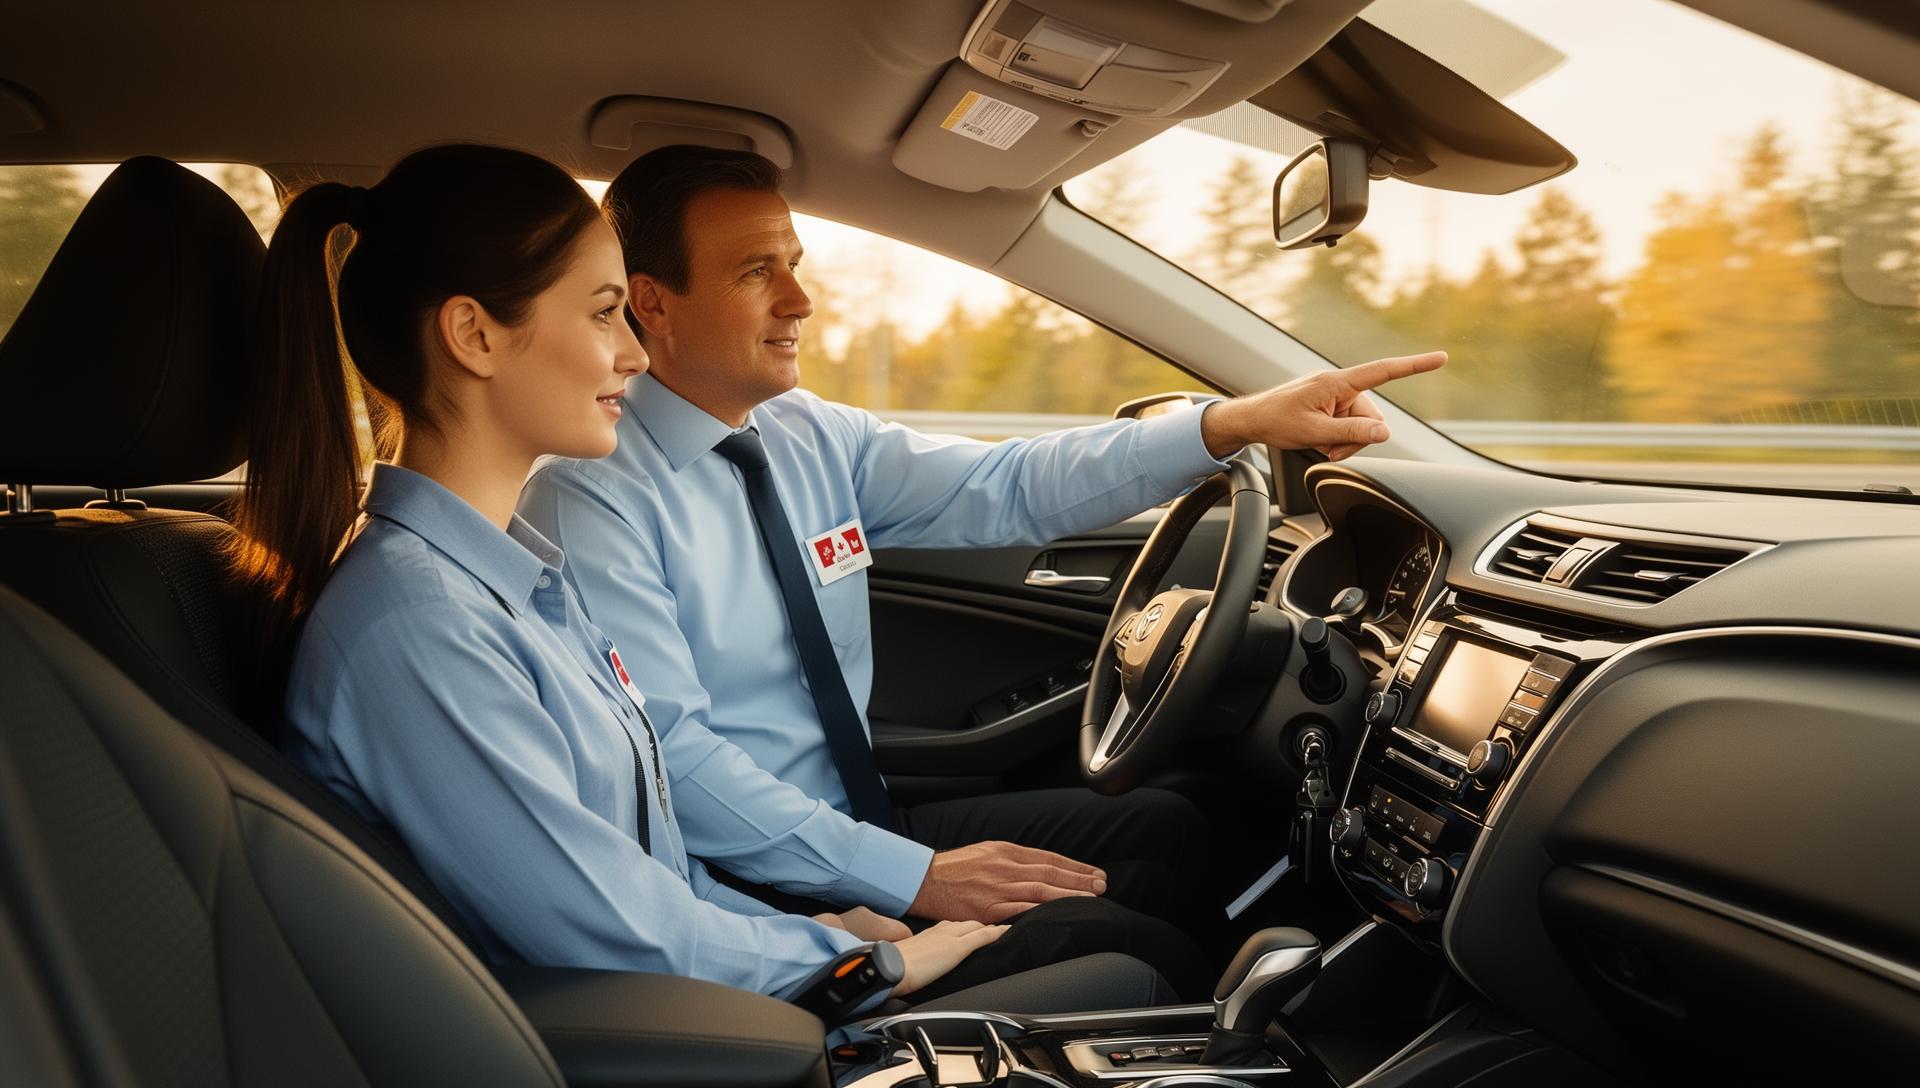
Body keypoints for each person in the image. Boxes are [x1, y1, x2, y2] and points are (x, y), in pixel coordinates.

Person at [227, 143, 1145, 1009]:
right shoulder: (421, 626)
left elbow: (650, 861)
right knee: (1121, 959)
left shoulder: (512, 581)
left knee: (1116, 917)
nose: (632, 353)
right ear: (474, 335)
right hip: (664, 1030)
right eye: (602, 313)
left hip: (707, 981)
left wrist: (824, 933)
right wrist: (863, 961)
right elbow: (608, 929)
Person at [515, 144, 1447, 958]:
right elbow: (673, 764)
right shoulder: (593, 496)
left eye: (795, 264)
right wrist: (913, 876)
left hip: (853, 816)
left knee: (1164, 829)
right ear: (653, 302)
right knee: (1126, 940)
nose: (801, 299)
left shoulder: (803, 434)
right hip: (746, 874)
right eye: (758, 271)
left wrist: (1229, 424)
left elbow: (1008, 485)